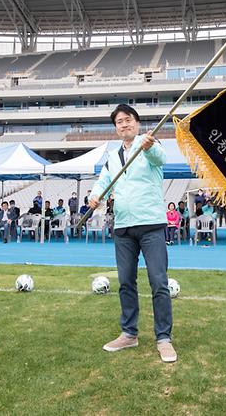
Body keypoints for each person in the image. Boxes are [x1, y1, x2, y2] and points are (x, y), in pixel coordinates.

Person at [89, 103, 176, 364]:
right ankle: (129, 333)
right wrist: (95, 196)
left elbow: (162, 159)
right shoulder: (113, 157)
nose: (124, 125)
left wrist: (149, 147)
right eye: (119, 122)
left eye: (128, 120)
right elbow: (103, 182)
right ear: (115, 128)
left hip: (151, 224)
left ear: (136, 123)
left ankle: (164, 338)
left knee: (158, 282)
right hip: (123, 227)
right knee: (126, 282)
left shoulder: (150, 144)